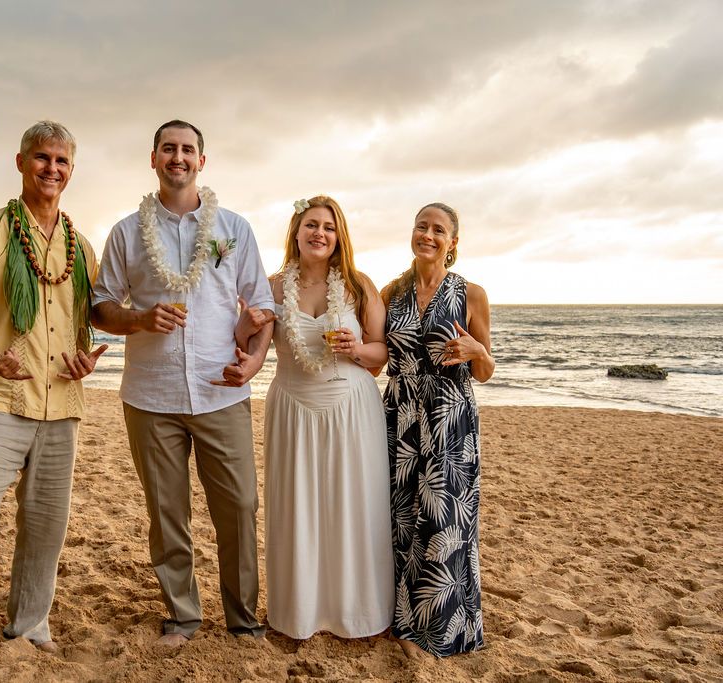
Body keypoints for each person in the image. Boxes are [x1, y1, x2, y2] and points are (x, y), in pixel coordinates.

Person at [0, 121, 107, 677]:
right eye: (40, 157)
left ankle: (29, 626)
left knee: (47, 520)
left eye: (61, 160)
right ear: (20, 161)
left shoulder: (81, 248)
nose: (50, 168)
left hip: (62, 403)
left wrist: (87, 356)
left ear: (71, 170)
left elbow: (88, 320)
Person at [91, 120, 274, 645]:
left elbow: (261, 307)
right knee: (167, 511)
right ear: (153, 160)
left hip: (222, 390)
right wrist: (140, 319)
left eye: (187, 149)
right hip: (151, 395)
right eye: (168, 149)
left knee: (239, 505)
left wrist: (256, 363)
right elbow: (100, 307)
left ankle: (243, 618)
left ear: (202, 161)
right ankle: (183, 615)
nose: (178, 157)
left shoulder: (233, 228)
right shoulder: (127, 232)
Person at [236, 195, 394, 639]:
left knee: (354, 506)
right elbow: (251, 345)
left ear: (338, 235)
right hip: (292, 407)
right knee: (297, 506)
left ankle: (356, 614)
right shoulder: (271, 285)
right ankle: (298, 613)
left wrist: (357, 349)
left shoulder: (360, 286)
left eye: (327, 226)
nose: (318, 233)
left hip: (351, 407)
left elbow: (380, 355)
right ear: (296, 231)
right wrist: (246, 324)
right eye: (310, 224)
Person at [380, 202, 494, 658]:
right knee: (402, 519)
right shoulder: (390, 292)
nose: (428, 235)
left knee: (446, 520)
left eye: (438, 230)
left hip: (450, 418)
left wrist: (475, 351)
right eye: (421, 226)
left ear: (453, 243)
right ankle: (402, 624)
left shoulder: (471, 294)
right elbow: (375, 353)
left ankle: (441, 632)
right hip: (400, 415)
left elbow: (486, 369)